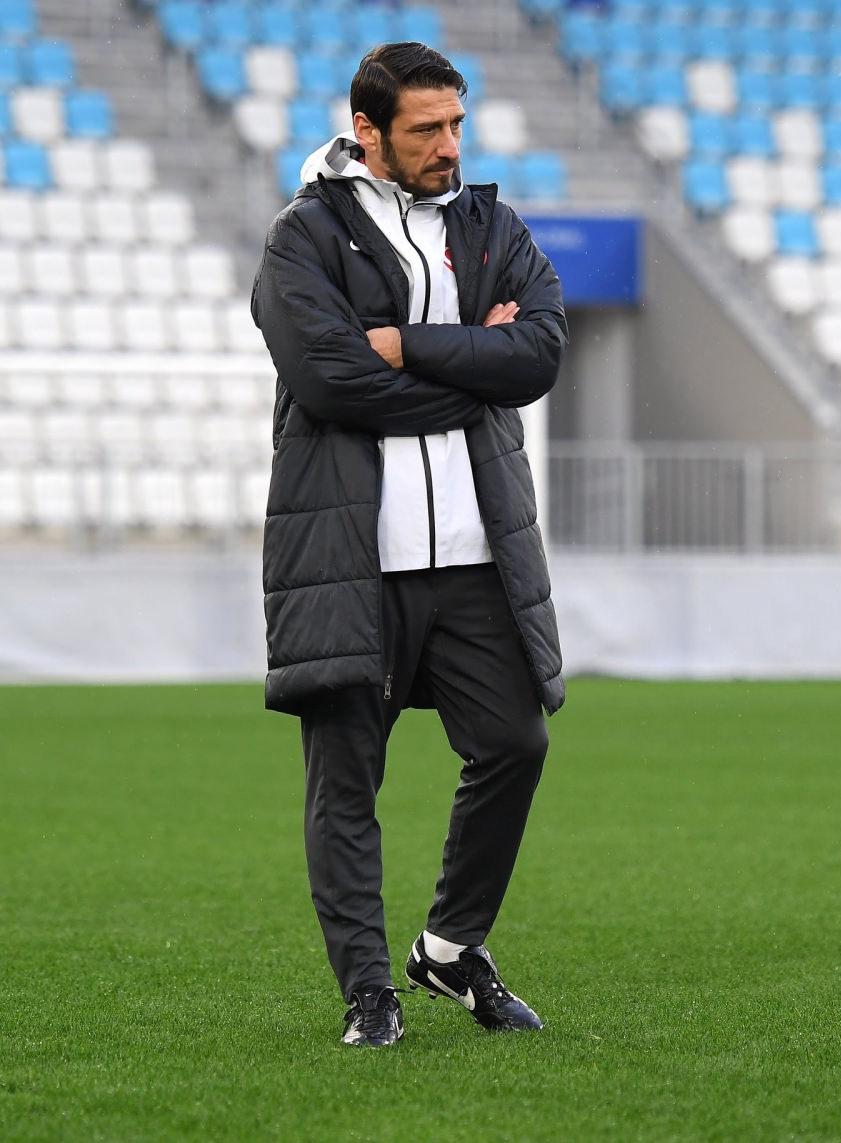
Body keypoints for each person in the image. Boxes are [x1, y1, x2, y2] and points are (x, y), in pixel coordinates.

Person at [250, 42, 568, 1048]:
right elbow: (332, 381)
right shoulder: (303, 238)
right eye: (426, 129)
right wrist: (474, 369)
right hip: (351, 560)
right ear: (367, 130)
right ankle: (368, 993)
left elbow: (540, 352)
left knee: (514, 744)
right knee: (347, 780)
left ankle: (449, 950)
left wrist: (413, 345)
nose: (449, 146)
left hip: (476, 556)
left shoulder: (490, 226)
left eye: (456, 123)